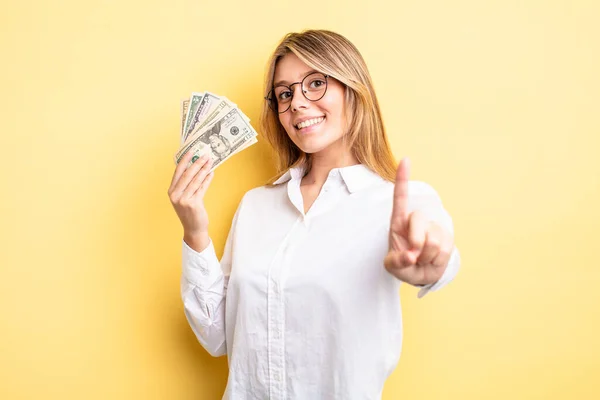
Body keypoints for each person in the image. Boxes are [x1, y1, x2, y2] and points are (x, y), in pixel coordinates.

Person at [168, 29, 461, 400]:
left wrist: (432, 265)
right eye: (285, 93)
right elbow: (216, 338)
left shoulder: (397, 203)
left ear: (353, 89)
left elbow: (441, 252)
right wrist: (194, 229)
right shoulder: (256, 205)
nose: (297, 104)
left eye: (316, 83)